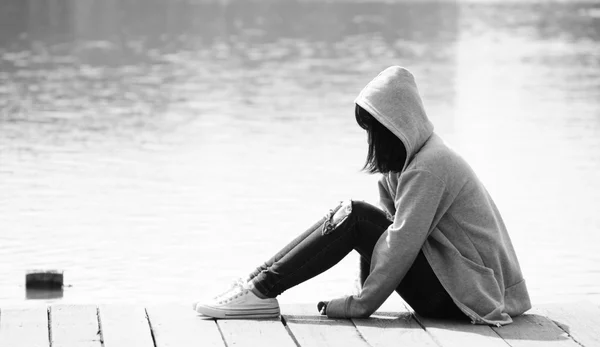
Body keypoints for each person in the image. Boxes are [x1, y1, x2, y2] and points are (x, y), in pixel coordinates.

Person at [193, 66, 531, 325]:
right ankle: (254, 285)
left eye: (374, 130)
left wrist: (358, 304)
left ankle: (261, 291)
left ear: (398, 125)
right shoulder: (408, 165)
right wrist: (361, 295)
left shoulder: (431, 166)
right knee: (349, 214)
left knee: (354, 216)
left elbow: (398, 247)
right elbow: (384, 237)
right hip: (460, 288)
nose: (371, 139)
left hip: (470, 297)